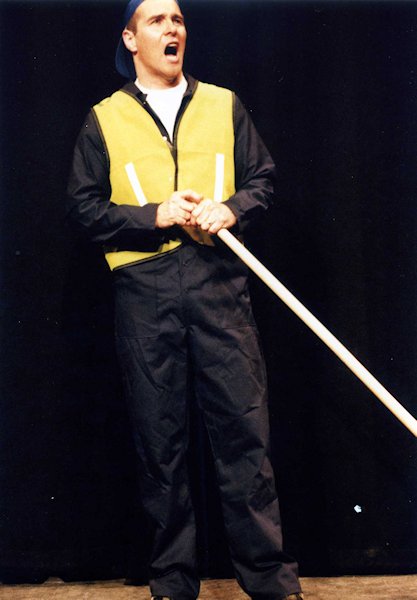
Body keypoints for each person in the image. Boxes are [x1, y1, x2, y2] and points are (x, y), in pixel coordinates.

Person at [67, 1, 303, 599]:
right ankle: (173, 584)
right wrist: (154, 215)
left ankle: (272, 583)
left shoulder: (223, 104)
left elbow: (263, 179)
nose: (172, 29)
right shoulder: (104, 119)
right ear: (131, 38)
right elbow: (84, 208)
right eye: (156, 20)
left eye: (177, 19)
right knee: (161, 444)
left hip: (219, 282)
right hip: (144, 290)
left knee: (245, 435)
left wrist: (233, 208)